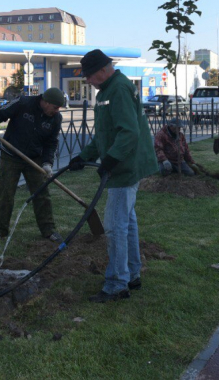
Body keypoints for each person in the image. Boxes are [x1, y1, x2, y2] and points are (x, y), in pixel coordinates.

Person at [69, 49, 158, 303]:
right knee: (127, 221)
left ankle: (117, 284)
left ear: (102, 70)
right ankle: (131, 273)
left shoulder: (117, 89)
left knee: (115, 226)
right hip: (125, 163)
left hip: (125, 167)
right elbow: (105, 133)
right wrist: (84, 156)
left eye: (88, 76)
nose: (86, 81)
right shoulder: (109, 89)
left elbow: (128, 133)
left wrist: (110, 160)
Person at [0, 87, 65, 243]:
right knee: (5, 195)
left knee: (42, 195)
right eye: (55, 107)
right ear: (46, 102)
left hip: (35, 159)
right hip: (11, 156)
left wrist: (48, 163)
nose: (57, 111)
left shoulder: (55, 118)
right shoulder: (23, 103)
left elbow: (51, 143)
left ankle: (48, 230)